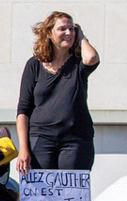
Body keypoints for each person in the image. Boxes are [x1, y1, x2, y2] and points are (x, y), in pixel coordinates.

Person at [16, 11, 100, 173]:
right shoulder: (34, 65)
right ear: (49, 33)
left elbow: (91, 58)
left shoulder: (78, 63)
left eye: (72, 29)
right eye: (62, 29)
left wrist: (82, 37)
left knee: (71, 195)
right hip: (41, 139)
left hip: (76, 141)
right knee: (43, 196)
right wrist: (23, 149)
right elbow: (23, 110)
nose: (68, 33)